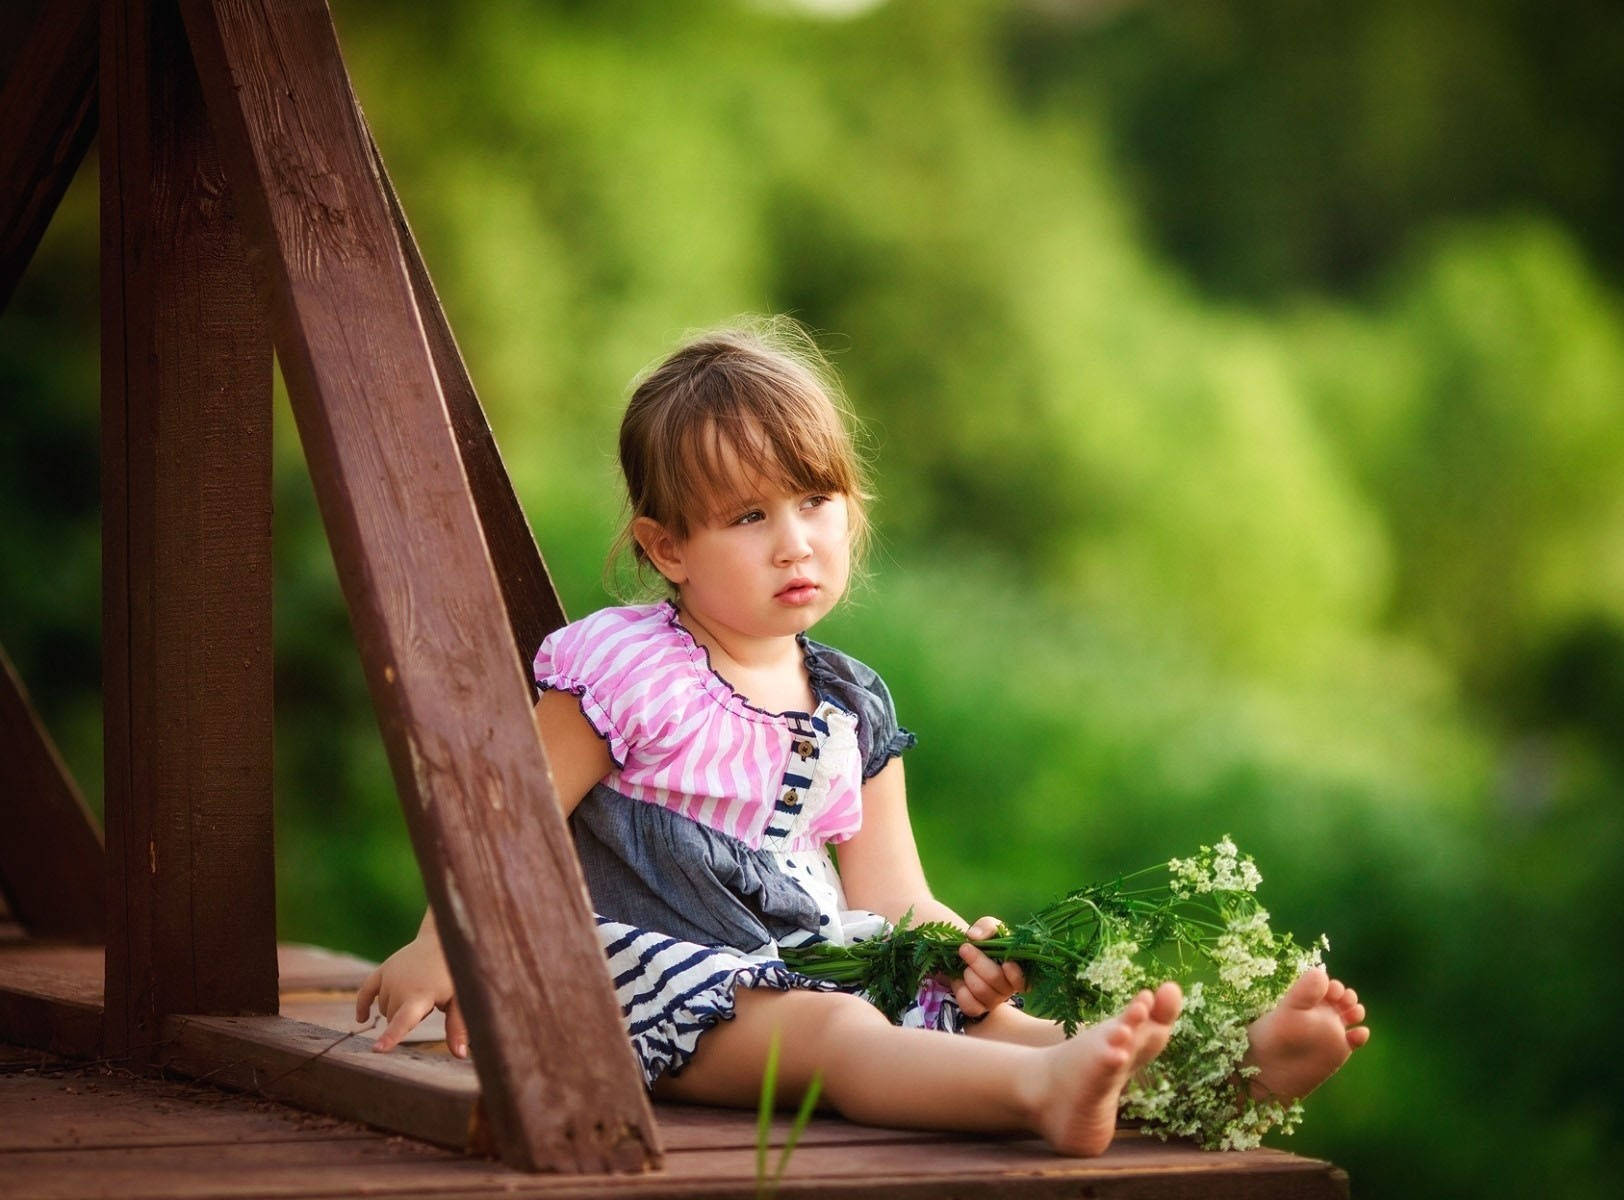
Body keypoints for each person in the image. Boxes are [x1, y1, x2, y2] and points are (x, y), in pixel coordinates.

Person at [355, 317, 1368, 1156]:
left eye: (815, 500)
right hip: (650, 984)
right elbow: (508, 813)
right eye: (748, 516)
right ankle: (1043, 1096)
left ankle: (1212, 1074)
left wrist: (961, 952)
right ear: (668, 547)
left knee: (976, 1015)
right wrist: (442, 945)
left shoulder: (848, 703)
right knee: (835, 1032)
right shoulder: (625, 667)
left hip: (811, 961)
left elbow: (891, 897)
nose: (794, 539)